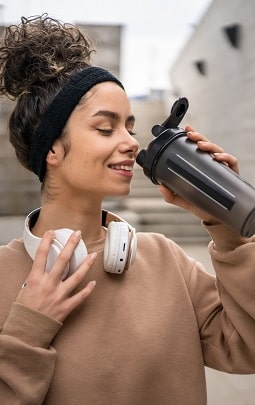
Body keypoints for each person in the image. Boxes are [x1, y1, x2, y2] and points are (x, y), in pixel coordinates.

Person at [0, 14, 254, 405]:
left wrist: (229, 229)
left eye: (130, 128)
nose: (131, 144)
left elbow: (246, 348)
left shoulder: (165, 260)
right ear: (51, 148)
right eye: (106, 128)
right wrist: (27, 329)